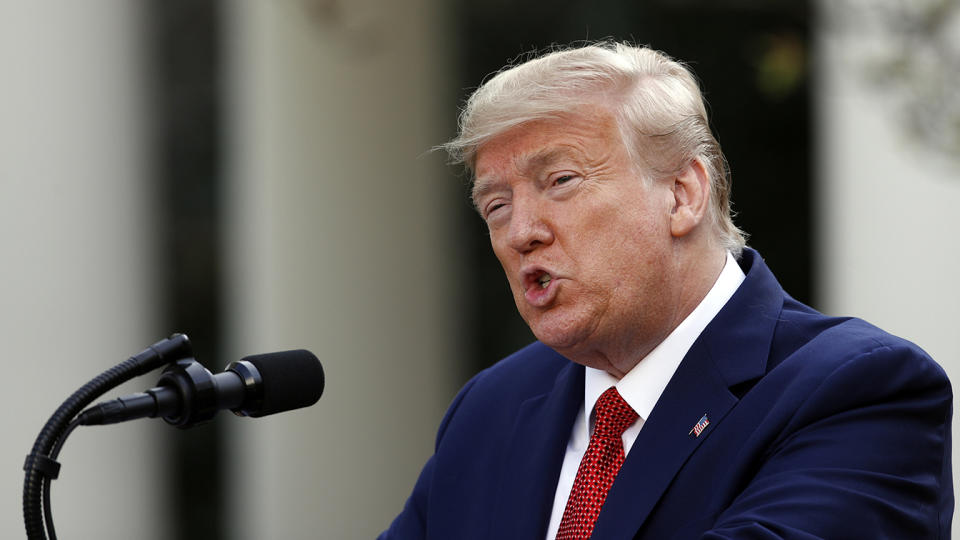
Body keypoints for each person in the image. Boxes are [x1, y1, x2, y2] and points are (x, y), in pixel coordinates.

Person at [380, 42, 953, 539]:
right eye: (496, 206)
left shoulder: (855, 389)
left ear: (683, 195)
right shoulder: (490, 409)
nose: (522, 232)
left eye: (561, 181)